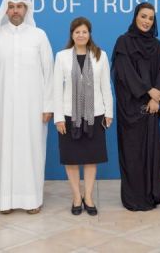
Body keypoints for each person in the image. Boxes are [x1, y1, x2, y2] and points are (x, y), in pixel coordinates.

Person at [0, 0, 54, 214]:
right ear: (5, 9)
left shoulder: (39, 35)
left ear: (26, 10)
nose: (15, 10)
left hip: (32, 107)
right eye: (11, 6)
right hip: (0, 107)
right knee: (1, 150)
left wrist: (47, 106)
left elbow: (48, 72)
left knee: (32, 150)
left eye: (19, 6)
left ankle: (32, 200)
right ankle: (6, 201)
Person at [53, 17, 113, 216]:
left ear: (89, 34)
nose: (81, 35)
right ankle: (76, 197)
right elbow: (56, 90)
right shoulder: (61, 56)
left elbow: (106, 85)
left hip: (94, 115)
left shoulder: (100, 55)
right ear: (72, 34)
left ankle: (88, 197)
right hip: (69, 116)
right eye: (77, 32)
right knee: (71, 159)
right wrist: (59, 117)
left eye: (84, 32)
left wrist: (109, 112)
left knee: (90, 158)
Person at [111, 2, 160, 211]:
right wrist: (146, 91)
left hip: (151, 108)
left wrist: (155, 98)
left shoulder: (157, 44)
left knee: (151, 152)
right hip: (130, 108)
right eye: (143, 16)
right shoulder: (123, 42)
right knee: (132, 153)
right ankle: (133, 198)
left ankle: (152, 195)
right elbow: (124, 74)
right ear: (135, 17)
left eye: (151, 18)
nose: (146, 21)